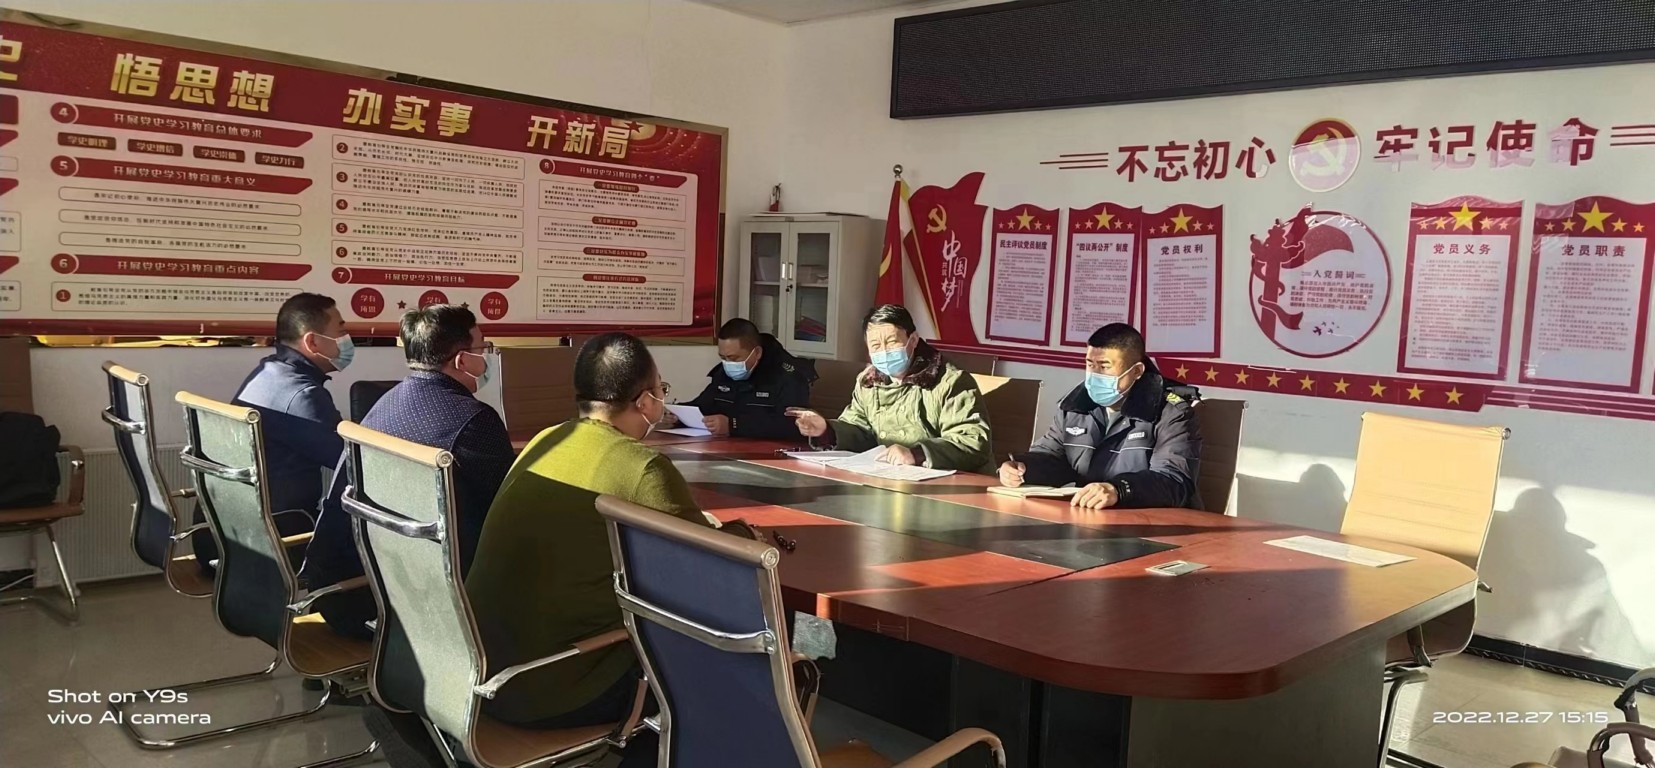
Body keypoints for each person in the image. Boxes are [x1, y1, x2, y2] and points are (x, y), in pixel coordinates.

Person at [466, 333, 752, 765]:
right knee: (718, 661)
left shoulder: (546, 440)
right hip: (554, 687)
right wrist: (746, 534)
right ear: (646, 400)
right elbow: (713, 569)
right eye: (661, 388)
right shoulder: (644, 468)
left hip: (481, 671)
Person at [302, 305, 513, 640]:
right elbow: (506, 515)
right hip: (405, 608)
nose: (487, 358)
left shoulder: (384, 402)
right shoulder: (474, 420)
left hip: (347, 590)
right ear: (462, 360)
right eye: (483, 348)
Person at [196, 293, 348, 569]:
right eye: (340, 331)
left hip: (231, 535)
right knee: (374, 544)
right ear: (312, 342)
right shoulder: (302, 395)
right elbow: (354, 464)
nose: (347, 339)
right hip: (276, 540)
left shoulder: (267, 373)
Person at [999, 322, 1202, 510]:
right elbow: (1053, 457)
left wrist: (1119, 490)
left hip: (1151, 522)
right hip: (1089, 515)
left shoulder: (1170, 413)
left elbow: (1174, 481)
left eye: (1104, 366)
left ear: (1136, 371)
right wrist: (1023, 468)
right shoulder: (1076, 406)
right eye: (1090, 364)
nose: (1095, 375)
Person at [788, 304, 992, 473]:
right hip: (889, 477)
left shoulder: (950, 381)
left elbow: (972, 441)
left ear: (913, 340)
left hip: (951, 484)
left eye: (892, 342)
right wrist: (826, 430)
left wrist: (917, 454)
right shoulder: (869, 381)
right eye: (876, 346)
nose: (884, 352)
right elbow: (860, 429)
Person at [674, 317, 816, 438]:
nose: (728, 364)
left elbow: (793, 424)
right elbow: (703, 405)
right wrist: (676, 416)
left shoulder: (788, 377)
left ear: (757, 353)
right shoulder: (722, 373)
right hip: (725, 447)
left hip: (770, 453)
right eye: (723, 358)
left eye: (734, 358)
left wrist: (734, 425)